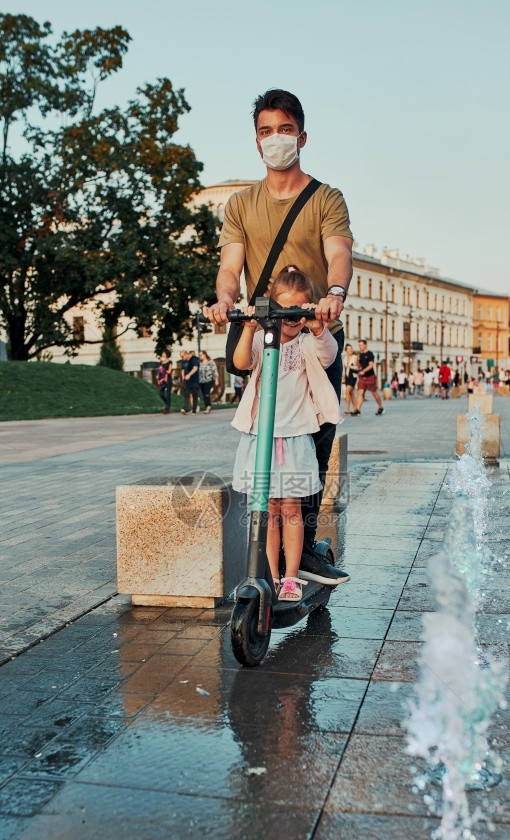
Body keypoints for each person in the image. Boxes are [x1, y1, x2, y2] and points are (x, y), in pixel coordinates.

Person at [204, 88, 352, 586]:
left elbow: (338, 254)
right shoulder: (242, 204)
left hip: (314, 334)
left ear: (302, 136)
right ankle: (261, 545)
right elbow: (230, 267)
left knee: (316, 440)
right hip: (260, 334)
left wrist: (333, 293)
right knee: (260, 435)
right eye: (266, 131)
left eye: (284, 130)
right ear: (256, 142)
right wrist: (226, 300)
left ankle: (304, 549)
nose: (275, 140)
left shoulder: (326, 198)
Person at [231, 266, 348, 600]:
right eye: (285, 311)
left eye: (299, 311)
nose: (291, 319)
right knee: (266, 508)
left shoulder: (308, 344)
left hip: (294, 439)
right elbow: (241, 361)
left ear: (307, 308)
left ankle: (292, 577)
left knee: (291, 509)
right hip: (261, 439)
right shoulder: (261, 340)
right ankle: (271, 575)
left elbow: (329, 355)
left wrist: (318, 326)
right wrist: (250, 325)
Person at [356, 339, 384, 415]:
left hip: (370, 376)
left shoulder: (370, 354)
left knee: (374, 393)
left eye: (361, 345)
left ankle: (380, 407)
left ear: (365, 345)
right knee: (360, 393)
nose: (360, 347)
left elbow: (371, 365)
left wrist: (363, 371)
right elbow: (358, 366)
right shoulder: (360, 355)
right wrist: (357, 360)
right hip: (362, 377)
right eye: (359, 345)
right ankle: (357, 410)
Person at [180, 349, 200, 414]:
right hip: (187, 381)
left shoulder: (193, 359)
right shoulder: (184, 361)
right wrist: (183, 378)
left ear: (187, 354)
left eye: (183, 356)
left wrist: (189, 374)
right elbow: (183, 370)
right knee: (186, 394)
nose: (182, 358)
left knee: (194, 395)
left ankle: (194, 409)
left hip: (194, 380)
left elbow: (195, 368)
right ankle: (185, 408)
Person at [342, 343, 359, 415]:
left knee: (347, 392)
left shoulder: (355, 357)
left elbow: (358, 367)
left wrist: (350, 367)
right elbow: (343, 368)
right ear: (346, 350)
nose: (350, 350)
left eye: (351, 349)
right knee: (351, 394)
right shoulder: (344, 358)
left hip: (353, 376)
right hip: (347, 376)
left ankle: (347, 409)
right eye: (349, 349)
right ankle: (356, 409)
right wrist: (343, 376)